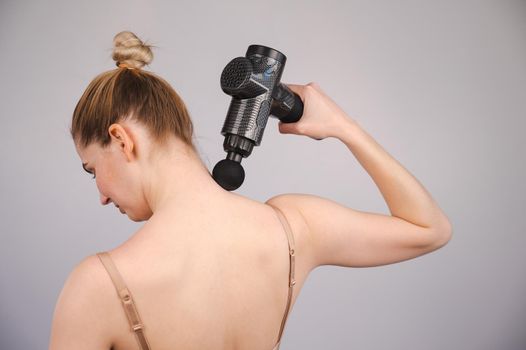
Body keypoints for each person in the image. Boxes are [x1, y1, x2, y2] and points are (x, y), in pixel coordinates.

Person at [49, 31, 452, 350]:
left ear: (121, 140)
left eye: (92, 170)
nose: (101, 195)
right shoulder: (294, 228)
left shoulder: (97, 286)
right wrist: (345, 128)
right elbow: (429, 229)